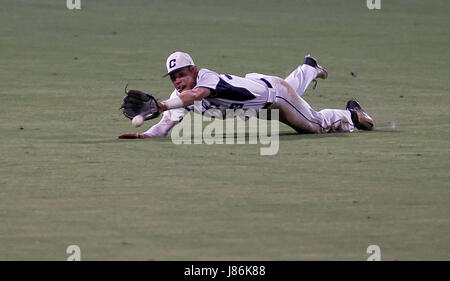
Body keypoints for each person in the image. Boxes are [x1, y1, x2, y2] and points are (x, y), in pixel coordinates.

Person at [118, 51, 374, 139]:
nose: (178, 81)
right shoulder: (179, 95)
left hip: (274, 97)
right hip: (259, 86)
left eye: (182, 74)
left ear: (193, 70)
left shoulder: (205, 78)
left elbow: (196, 96)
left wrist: (161, 104)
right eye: (173, 77)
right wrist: (144, 134)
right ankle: (308, 67)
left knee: (315, 126)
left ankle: (351, 115)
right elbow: (166, 124)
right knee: (291, 94)